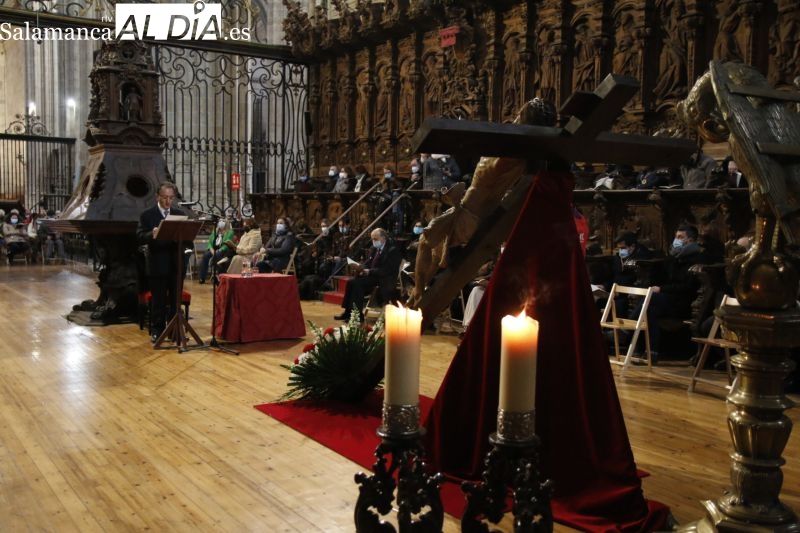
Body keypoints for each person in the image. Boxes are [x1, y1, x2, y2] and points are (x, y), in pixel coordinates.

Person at [639, 224, 706, 359]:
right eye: (676, 237)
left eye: (680, 237)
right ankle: (651, 351)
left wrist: (661, 289)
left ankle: (627, 333)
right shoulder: (675, 257)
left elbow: (687, 287)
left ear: (690, 240)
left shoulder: (696, 260)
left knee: (652, 298)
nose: (676, 240)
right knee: (650, 309)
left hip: (684, 302)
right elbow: (666, 279)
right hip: (669, 300)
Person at [136, 182, 189, 343]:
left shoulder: (179, 214)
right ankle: (157, 331)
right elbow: (139, 236)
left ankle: (174, 330)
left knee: (175, 301)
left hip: (176, 264)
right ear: (157, 197)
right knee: (158, 301)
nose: (168, 201)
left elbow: (187, 240)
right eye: (165, 197)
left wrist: (185, 245)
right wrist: (151, 234)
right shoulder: (147, 215)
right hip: (158, 264)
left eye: (171, 198)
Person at [334, 227, 402, 321]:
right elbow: (368, 263)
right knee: (350, 282)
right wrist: (360, 267)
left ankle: (357, 316)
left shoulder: (392, 250)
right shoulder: (374, 248)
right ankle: (348, 312)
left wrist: (370, 271)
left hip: (384, 279)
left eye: (375, 239)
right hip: (372, 276)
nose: (374, 241)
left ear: (383, 238)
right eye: (372, 239)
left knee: (358, 284)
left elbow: (387, 270)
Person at [198, 218, 236, 284]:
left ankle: (219, 277)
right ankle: (202, 277)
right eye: (220, 221)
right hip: (213, 249)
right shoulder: (215, 231)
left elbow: (227, 243)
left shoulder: (230, 232)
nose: (221, 222)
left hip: (222, 250)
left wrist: (219, 250)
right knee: (205, 256)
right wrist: (211, 249)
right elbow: (210, 242)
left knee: (218, 255)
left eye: (223, 221)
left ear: (226, 223)